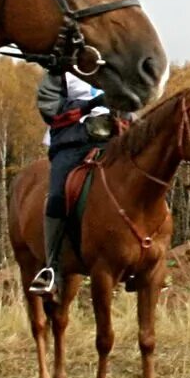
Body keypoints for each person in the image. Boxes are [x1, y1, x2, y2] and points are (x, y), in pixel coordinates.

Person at [29, 70, 123, 295]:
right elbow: (50, 109)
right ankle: (52, 268)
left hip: (114, 140)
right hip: (72, 141)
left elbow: (131, 102)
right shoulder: (60, 72)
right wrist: (89, 106)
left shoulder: (116, 65)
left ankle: (145, 260)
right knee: (58, 196)